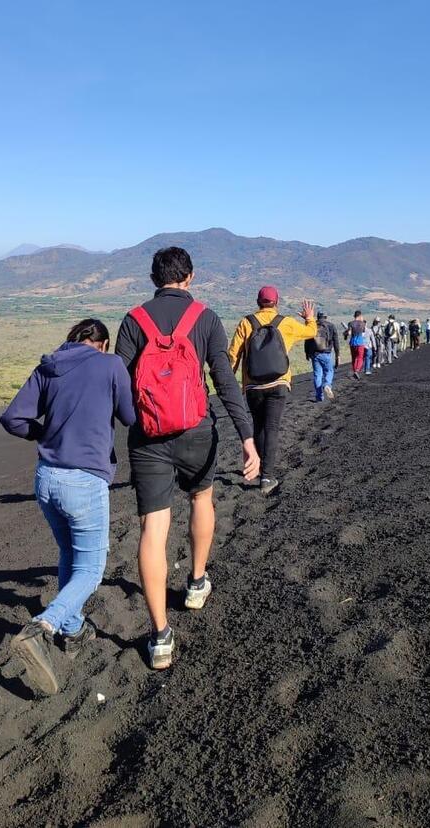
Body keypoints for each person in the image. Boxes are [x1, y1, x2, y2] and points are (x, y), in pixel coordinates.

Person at [115, 247, 260, 671]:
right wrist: (247, 438)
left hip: (148, 437)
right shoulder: (206, 318)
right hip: (197, 429)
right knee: (201, 500)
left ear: (153, 278)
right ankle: (197, 582)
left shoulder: (133, 320)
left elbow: (117, 382)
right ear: (190, 278)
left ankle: (159, 637)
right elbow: (224, 380)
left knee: (153, 527)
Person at [0, 318, 135, 695]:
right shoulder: (110, 365)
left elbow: (12, 418)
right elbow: (129, 416)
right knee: (92, 568)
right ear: (102, 344)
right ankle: (43, 627)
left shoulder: (49, 366)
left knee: (67, 553)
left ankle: (73, 631)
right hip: (85, 480)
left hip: (46, 478)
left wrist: (45, 432)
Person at [228, 287, 316, 496]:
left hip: (253, 386)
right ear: (276, 302)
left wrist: (229, 381)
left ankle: (258, 469)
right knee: (272, 428)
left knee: (258, 427)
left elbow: (232, 355)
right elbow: (312, 332)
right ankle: (267, 476)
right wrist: (309, 318)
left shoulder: (246, 323)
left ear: (258, 301)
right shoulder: (286, 323)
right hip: (278, 384)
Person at [304, 310, 340, 401]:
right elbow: (336, 342)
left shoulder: (313, 325)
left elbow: (307, 340)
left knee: (317, 375)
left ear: (318, 317)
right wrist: (337, 355)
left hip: (315, 354)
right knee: (329, 371)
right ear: (326, 317)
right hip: (326, 353)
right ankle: (327, 385)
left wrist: (307, 353)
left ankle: (319, 396)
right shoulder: (331, 326)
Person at [344, 310, 368, 379]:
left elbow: (348, 332)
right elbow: (363, 332)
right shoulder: (363, 324)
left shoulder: (350, 323)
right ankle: (357, 370)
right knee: (360, 358)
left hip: (352, 343)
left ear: (354, 316)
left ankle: (355, 371)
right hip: (360, 343)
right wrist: (362, 320)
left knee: (354, 358)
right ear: (360, 316)